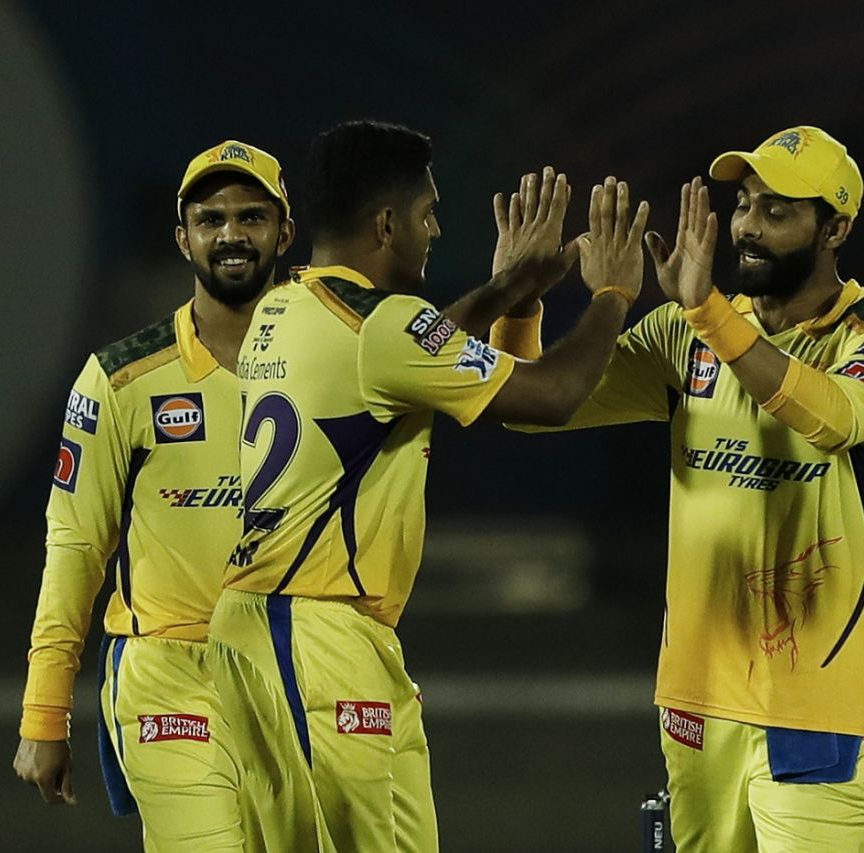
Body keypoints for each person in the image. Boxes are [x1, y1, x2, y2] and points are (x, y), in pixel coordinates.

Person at [207, 118, 649, 852]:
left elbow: (407, 353)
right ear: (386, 223)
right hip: (310, 632)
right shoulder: (381, 327)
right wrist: (611, 294)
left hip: (301, 628)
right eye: (426, 212)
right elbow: (553, 394)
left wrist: (511, 289)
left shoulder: (286, 307)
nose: (436, 229)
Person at [493, 126, 864, 851]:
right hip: (695, 702)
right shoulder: (686, 333)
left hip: (815, 710)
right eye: (745, 204)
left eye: (778, 212)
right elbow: (530, 407)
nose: (749, 227)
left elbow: (832, 417)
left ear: (837, 228)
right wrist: (518, 301)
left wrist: (710, 315)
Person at [13, 139, 295, 852]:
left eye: (252, 217)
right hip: (170, 675)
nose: (231, 234)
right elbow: (76, 545)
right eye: (211, 219)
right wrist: (45, 711)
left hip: (300, 667)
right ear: (183, 238)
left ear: (285, 233)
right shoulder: (120, 379)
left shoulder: (340, 361)